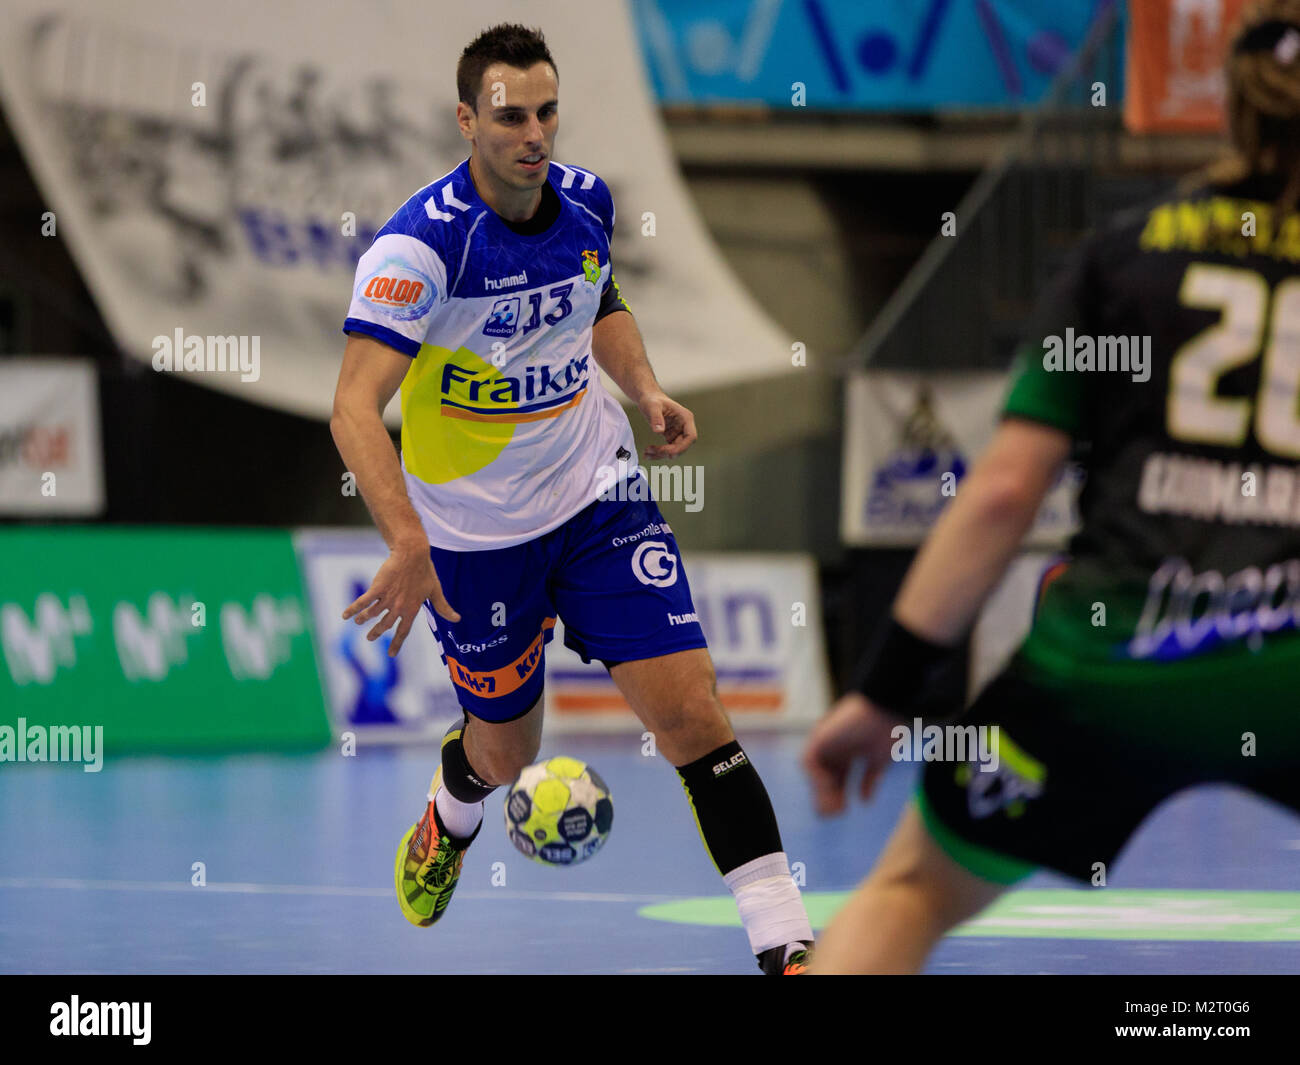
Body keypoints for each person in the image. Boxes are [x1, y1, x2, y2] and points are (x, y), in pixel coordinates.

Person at [802, 0, 1300, 974]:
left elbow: (1001, 493)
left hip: (1107, 670)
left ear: (1233, 111)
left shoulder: (1125, 258)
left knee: (910, 892)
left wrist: (884, 693)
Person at [330, 23, 812, 975]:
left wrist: (645, 389)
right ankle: (452, 811)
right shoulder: (423, 249)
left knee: (690, 711)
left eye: (547, 112)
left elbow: (603, 299)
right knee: (506, 753)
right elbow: (352, 407)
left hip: (597, 498)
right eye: (511, 115)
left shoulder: (585, 203)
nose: (534, 133)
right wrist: (407, 538)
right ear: (468, 119)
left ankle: (784, 940)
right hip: (473, 535)